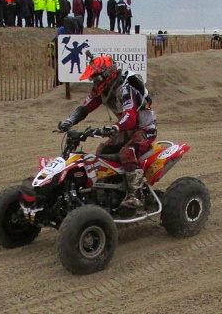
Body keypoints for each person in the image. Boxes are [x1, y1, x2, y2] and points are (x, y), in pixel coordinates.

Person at [57, 55, 156, 211]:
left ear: (107, 74)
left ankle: (136, 195)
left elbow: (130, 116)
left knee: (127, 152)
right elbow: (85, 107)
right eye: (94, 79)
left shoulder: (125, 87)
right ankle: (107, 190)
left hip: (144, 129)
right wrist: (69, 121)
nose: (95, 81)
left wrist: (114, 128)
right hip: (124, 130)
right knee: (101, 153)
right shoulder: (103, 89)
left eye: (97, 77)